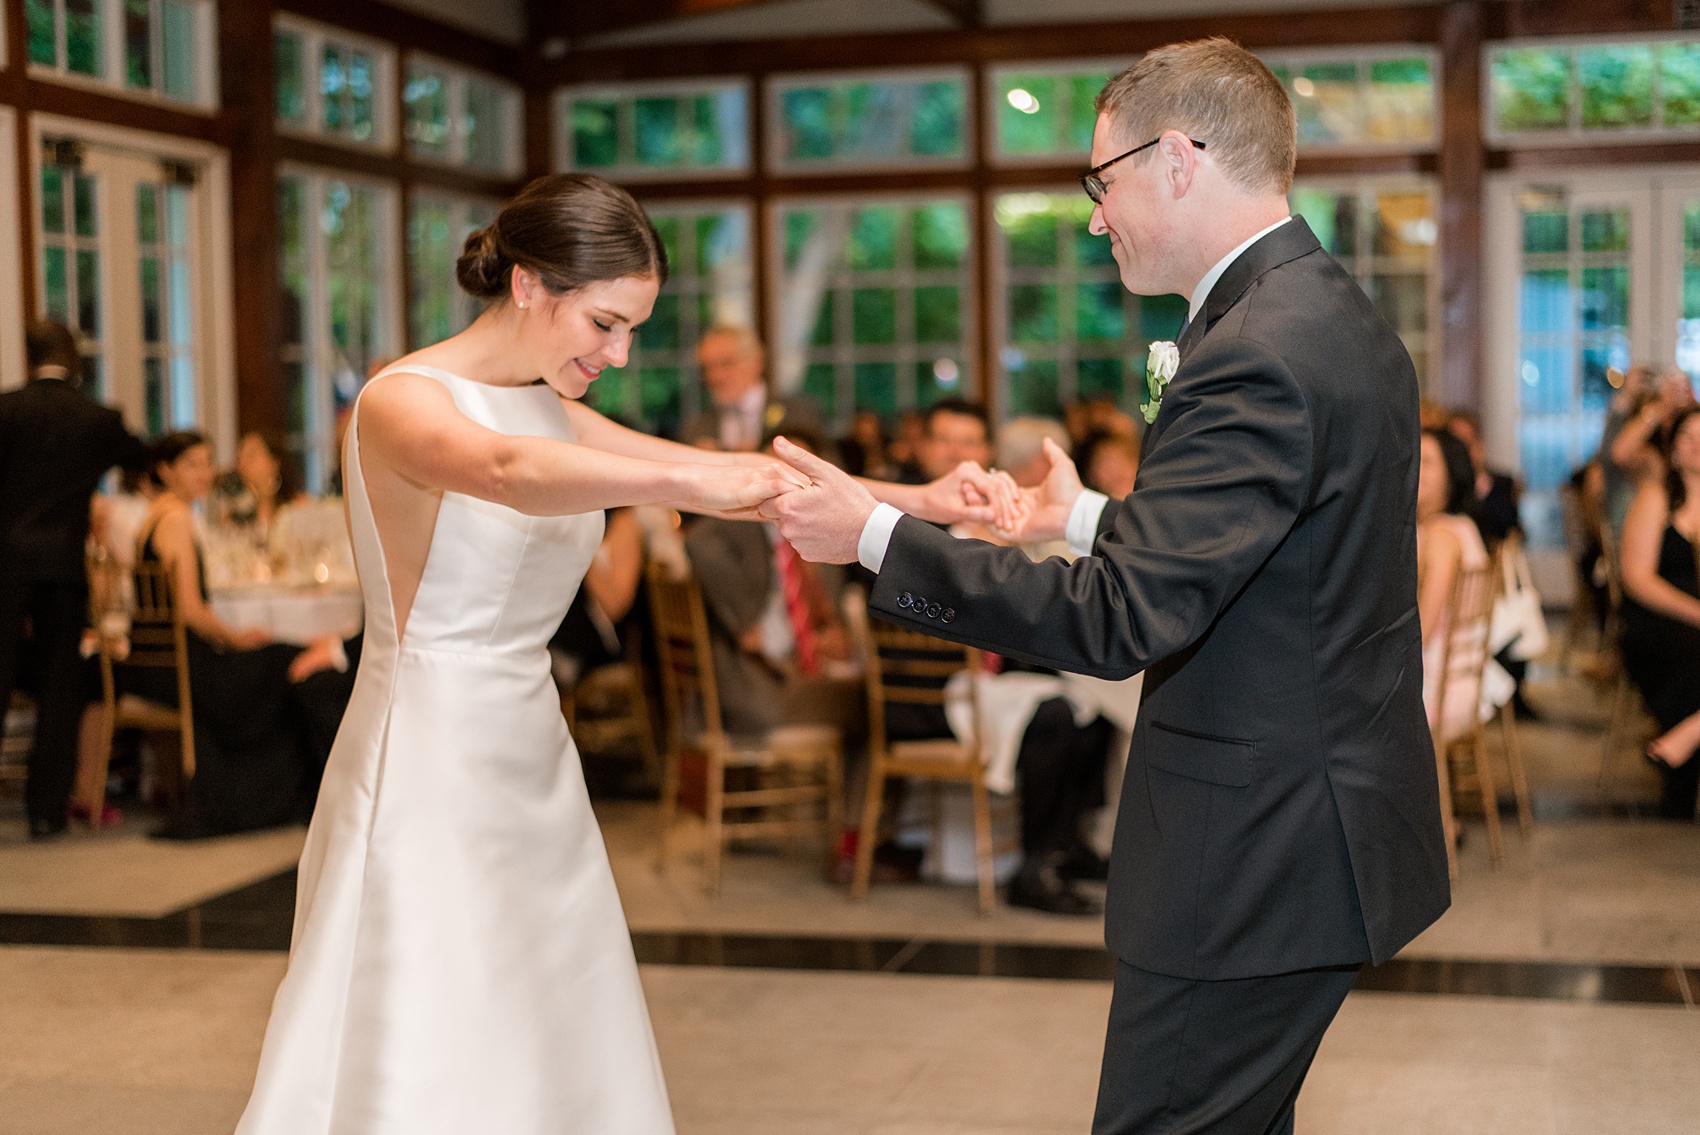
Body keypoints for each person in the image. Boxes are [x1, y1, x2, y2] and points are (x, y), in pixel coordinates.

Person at [765, 39, 1448, 1134]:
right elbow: (1269, 555)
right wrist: (1076, 516)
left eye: (1101, 180)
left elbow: (1117, 618)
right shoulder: (1327, 310)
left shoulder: (1252, 350)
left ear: (1175, 157)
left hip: (1251, 860)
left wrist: (877, 534)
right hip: (1315, 832)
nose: (1094, 216)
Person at [234, 173, 1012, 1135]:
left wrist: (924, 501)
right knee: (439, 1003)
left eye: (633, 328)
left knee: (546, 1005)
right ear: (527, 284)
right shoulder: (402, 402)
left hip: (531, 746)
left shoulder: (545, 404)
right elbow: (509, 473)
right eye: (605, 323)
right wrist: (680, 477)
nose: (619, 352)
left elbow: (735, 472)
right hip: (428, 751)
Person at [128, 432, 344, 838]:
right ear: (165, 470)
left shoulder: (156, 513)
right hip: (180, 665)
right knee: (288, 661)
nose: (204, 473)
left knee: (280, 657)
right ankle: (287, 792)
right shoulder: (175, 519)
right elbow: (190, 610)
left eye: (208, 462)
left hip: (154, 661)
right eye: (192, 464)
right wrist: (235, 638)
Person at [0, 320, 146, 840]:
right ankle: (46, 810)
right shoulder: (97, 419)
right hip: (63, 565)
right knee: (61, 686)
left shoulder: (7, 409)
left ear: (30, 355)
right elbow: (141, 459)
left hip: (7, 563)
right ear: (75, 357)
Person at [1618, 405, 1700, 819]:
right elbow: (1636, 578)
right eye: (1687, 436)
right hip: (1658, 622)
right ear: (1673, 447)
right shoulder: (1656, 497)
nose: (1697, 444)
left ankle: (1689, 734)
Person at [1416, 428, 1494, 740]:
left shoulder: (1440, 537)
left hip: (1439, 693)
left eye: (1428, 462)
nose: (1414, 469)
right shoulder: (1464, 527)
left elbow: (1422, 631)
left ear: (1452, 473)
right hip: (1468, 685)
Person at [679, 324, 823, 451]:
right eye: (707, 368)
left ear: (757, 361)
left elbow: (832, 469)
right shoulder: (695, 430)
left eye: (726, 363)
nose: (715, 376)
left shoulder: (799, 413)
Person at [215, 430, 305, 546]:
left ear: (274, 462)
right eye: (239, 458)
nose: (243, 463)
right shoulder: (232, 517)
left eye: (251, 455)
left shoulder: (297, 506)